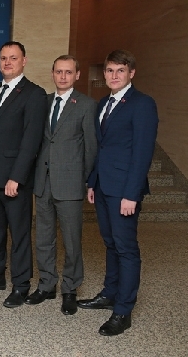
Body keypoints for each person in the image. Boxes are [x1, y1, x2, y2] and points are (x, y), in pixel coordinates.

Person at [79, 50, 158, 336]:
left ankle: (123, 310)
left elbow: (142, 152)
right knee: (110, 243)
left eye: (120, 70)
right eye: (110, 70)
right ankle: (109, 294)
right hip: (103, 186)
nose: (114, 75)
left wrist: (132, 194)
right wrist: (93, 182)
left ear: (131, 73)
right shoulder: (104, 103)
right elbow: (102, 148)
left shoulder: (142, 104)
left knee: (126, 249)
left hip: (124, 190)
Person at [0, 41, 47, 308]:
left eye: (13, 58)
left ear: (24, 61)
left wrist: (17, 177)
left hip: (15, 180)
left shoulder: (34, 94)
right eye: (3, 58)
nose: (7, 63)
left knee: (19, 234)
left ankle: (21, 285)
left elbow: (31, 140)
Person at [26, 55, 97, 315]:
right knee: (43, 238)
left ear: (77, 75)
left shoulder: (87, 105)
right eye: (59, 72)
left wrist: (84, 179)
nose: (63, 76)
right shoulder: (43, 102)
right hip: (43, 182)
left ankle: (70, 288)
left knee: (71, 240)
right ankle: (47, 284)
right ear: (52, 73)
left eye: (68, 72)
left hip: (70, 184)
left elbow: (91, 148)